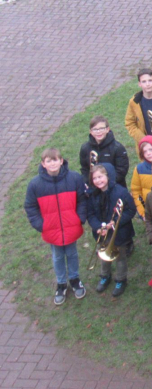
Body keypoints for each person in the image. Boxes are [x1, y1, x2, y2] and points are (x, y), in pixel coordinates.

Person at [24, 148, 87, 305]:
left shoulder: (74, 179)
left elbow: (82, 200)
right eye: (48, 161)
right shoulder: (35, 185)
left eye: (55, 160)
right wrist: (42, 225)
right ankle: (61, 283)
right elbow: (30, 207)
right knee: (57, 256)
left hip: (71, 226)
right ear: (43, 164)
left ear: (61, 161)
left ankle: (74, 279)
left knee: (72, 254)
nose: (52, 163)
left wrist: (78, 218)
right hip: (51, 230)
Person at [86, 163, 137, 296]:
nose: (98, 181)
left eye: (101, 177)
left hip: (119, 232)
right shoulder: (92, 195)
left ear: (108, 177)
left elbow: (131, 210)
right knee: (103, 255)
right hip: (102, 233)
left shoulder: (121, 192)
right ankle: (105, 276)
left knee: (120, 258)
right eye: (95, 178)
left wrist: (115, 223)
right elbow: (90, 214)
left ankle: (121, 279)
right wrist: (98, 227)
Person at [79, 115, 129, 187]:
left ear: (107, 129)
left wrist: (104, 184)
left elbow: (121, 171)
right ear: (91, 131)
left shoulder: (118, 148)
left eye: (101, 128)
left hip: (114, 187)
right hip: (94, 188)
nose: (98, 132)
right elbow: (84, 169)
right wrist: (90, 183)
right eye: (95, 129)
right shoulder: (85, 148)